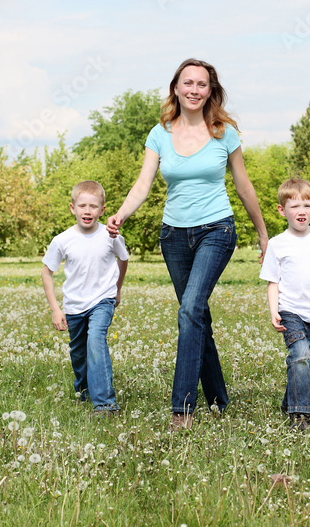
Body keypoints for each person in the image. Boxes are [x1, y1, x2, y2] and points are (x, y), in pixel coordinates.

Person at [107, 58, 269, 428]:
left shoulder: (223, 132)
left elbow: (243, 186)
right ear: (176, 88)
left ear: (210, 91)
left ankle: (182, 408)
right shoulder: (159, 133)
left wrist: (263, 233)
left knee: (190, 308)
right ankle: (218, 399)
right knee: (196, 315)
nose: (194, 90)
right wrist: (120, 214)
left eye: (202, 84)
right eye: (188, 83)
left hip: (217, 230)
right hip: (174, 236)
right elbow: (143, 184)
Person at [42, 181, 129, 415]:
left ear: (102, 210)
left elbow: (123, 259)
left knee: (96, 342)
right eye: (82, 206)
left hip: (103, 300)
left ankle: (105, 404)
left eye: (93, 206)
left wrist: (117, 289)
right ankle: (84, 389)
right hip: (74, 306)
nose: (87, 211)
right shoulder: (62, 240)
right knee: (78, 352)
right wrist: (55, 309)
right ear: (73, 208)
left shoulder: (111, 236)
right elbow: (46, 272)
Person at [259, 178, 310, 431]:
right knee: (300, 356)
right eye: (294, 206)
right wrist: (274, 310)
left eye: (306, 205)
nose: (301, 211)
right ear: (282, 210)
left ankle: (288, 401)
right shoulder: (277, 244)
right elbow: (273, 282)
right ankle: (300, 417)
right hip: (290, 311)